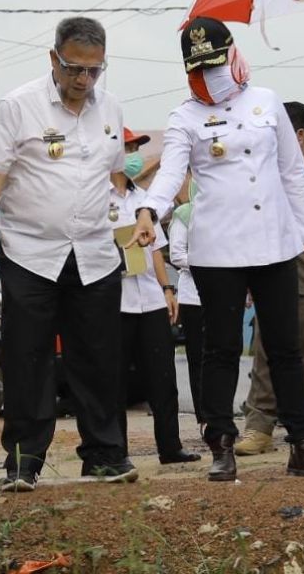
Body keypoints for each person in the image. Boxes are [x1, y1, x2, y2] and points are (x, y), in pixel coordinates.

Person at [131, 17, 304, 482]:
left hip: (275, 244)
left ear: (233, 55)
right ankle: (221, 444)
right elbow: (170, 172)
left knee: (285, 347)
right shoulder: (185, 116)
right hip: (217, 249)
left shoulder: (267, 103)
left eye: (216, 63)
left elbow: (293, 174)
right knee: (221, 350)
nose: (210, 75)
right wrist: (149, 210)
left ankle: (302, 443)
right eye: (199, 68)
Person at [0, 17, 135, 492]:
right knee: (28, 358)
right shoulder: (18, 107)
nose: (83, 80)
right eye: (74, 69)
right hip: (29, 253)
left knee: (99, 358)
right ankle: (24, 463)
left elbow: (116, 177)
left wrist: (132, 222)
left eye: (94, 71)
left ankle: (105, 455)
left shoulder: (112, 110)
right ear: (53, 60)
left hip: (96, 254)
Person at [234, 102, 304, 455]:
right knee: (265, 340)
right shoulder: (261, 175)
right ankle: (259, 424)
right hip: (269, 257)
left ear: (299, 136)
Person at [110, 128, 199, 464]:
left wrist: (167, 289)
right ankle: (115, 449)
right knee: (116, 380)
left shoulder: (142, 199)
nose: (134, 155)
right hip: (116, 300)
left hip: (150, 296)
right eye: (129, 148)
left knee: (162, 376)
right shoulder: (98, 199)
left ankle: (170, 446)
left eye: (136, 148)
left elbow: (158, 251)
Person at [168, 183, 205, 434]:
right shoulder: (184, 215)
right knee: (198, 359)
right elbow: (176, 254)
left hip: (221, 294)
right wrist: (207, 262)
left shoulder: (223, 215)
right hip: (193, 296)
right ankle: (205, 419)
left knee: (223, 356)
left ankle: (221, 414)